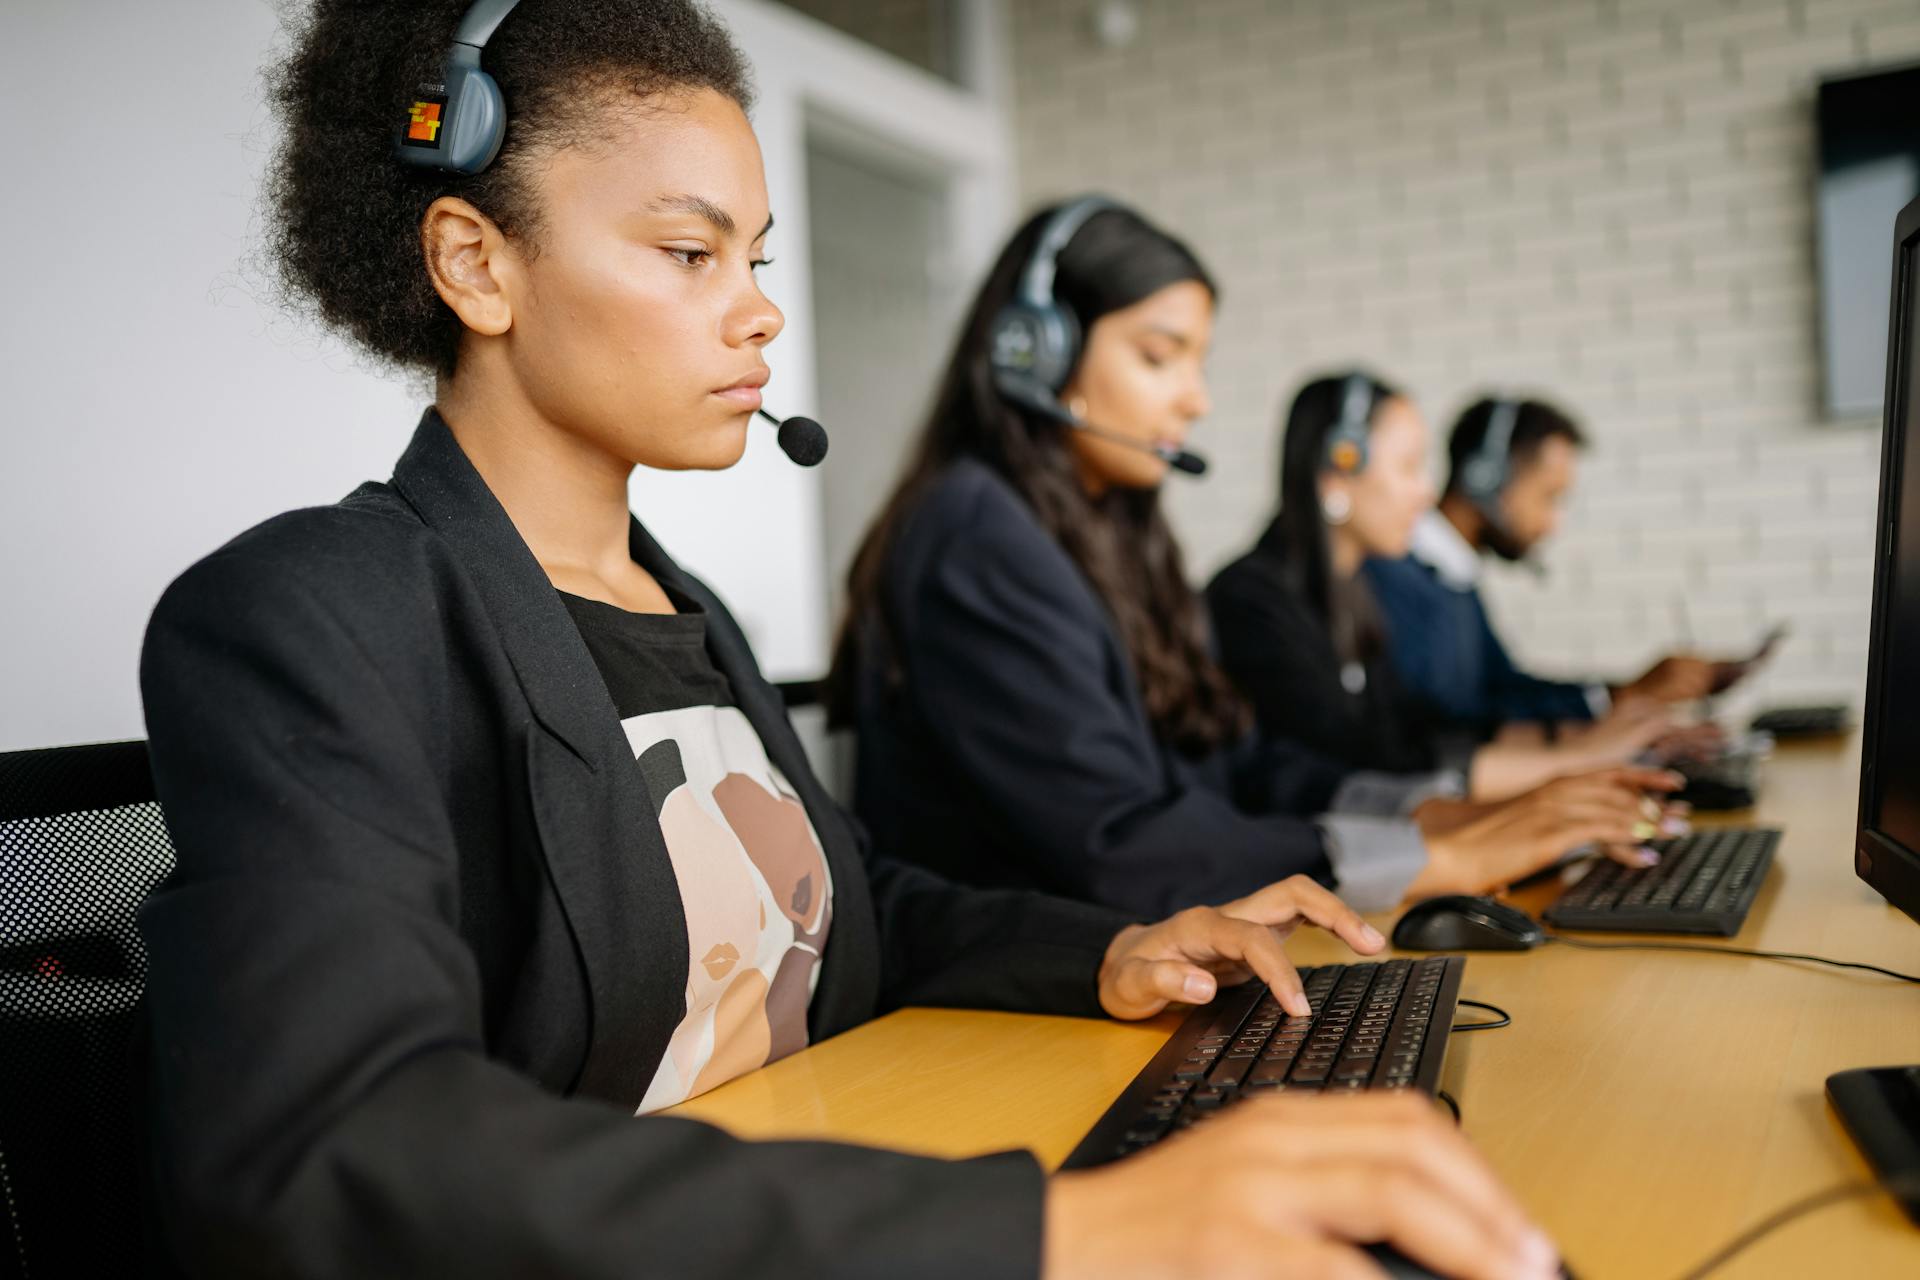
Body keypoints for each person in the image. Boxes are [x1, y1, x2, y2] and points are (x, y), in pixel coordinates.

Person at [134, 4, 1565, 1278]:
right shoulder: (307, 615)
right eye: (690, 253)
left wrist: (1110, 953)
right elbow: (336, 1148)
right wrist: (1062, 1236)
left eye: (751, 258)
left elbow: (848, 904)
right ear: (476, 266)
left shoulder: (682, 610)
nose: (758, 309)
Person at [829, 198, 1678, 923]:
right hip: (998, 1012)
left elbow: (1240, 766)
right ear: (1034, 351)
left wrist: (1440, 818)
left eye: (1198, 363)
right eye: (1160, 356)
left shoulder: (1107, 538)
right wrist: (1439, 859)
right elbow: (1119, 843)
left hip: (1129, 957)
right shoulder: (977, 538)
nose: (1195, 399)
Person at [1209, 373, 1691, 803]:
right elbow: (1363, 765)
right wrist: (1574, 759)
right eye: (1408, 467)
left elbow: (1424, 725)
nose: (1426, 492)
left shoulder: (1353, 593)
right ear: (1338, 471)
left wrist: (1580, 741)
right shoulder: (1250, 602)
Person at [1364, 396, 1734, 734]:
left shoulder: (1453, 573)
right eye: (1549, 497)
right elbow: (1456, 719)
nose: (1553, 523)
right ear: (1485, 477)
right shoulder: (1395, 575)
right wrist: (1618, 701)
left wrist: (1625, 693)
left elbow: (1503, 684)